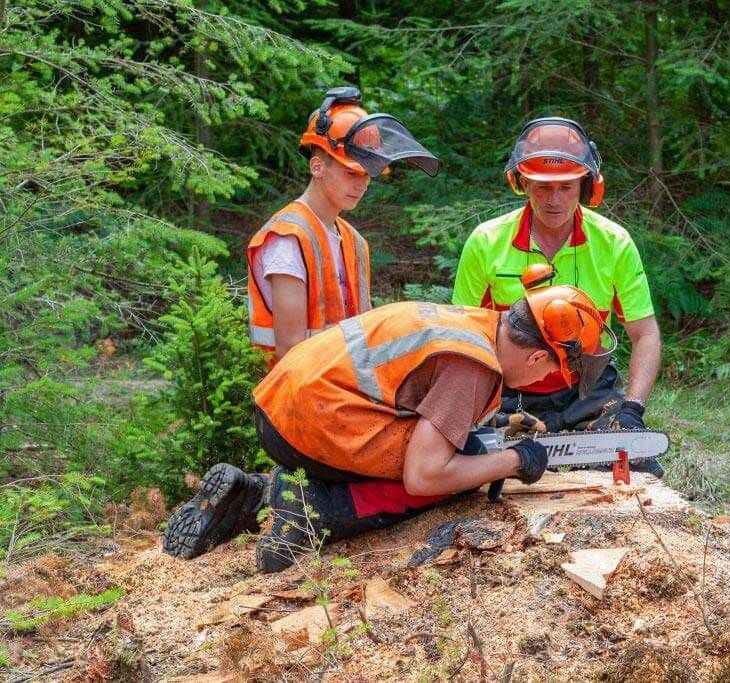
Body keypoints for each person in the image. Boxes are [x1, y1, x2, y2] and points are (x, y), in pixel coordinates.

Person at [163, 286, 615, 572]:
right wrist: (513, 459)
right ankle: (310, 509)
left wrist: (484, 424)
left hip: (286, 405)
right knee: (454, 469)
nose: (543, 382)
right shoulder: (472, 368)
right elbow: (424, 474)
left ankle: (257, 496)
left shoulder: (474, 325)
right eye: (549, 371)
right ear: (537, 357)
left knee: (467, 446)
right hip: (309, 420)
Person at [451, 117, 663, 474]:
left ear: (585, 185)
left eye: (565, 187)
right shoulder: (486, 242)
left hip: (588, 386)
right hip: (509, 392)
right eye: (542, 187)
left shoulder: (613, 243)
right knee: (483, 478)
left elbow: (645, 334)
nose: (554, 199)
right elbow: (460, 336)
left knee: (638, 471)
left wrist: (632, 408)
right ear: (522, 182)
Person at [247, 86, 439, 364]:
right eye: (351, 172)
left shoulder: (354, 241)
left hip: (344, 385)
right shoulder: (288, 239)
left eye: (367, 175)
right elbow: (290, 349)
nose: (361, 184)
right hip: (295, 393)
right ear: (317, 167)